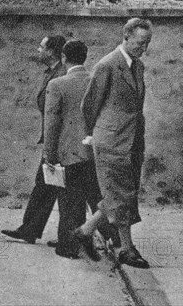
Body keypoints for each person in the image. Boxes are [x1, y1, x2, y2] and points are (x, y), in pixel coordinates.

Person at [73, 18, 153, 269]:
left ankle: (85, 231)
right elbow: (89, 104)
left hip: (132, 141)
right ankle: (126, 249)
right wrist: (93, 134)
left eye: (147, 43)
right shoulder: (107, 65)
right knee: (122, 193)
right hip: (111, 141)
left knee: (120, 193)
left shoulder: (137, 66)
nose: (144, 48)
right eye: (141, 43)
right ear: (126, 36)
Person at [43, 40, 118, 260]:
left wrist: (49, 154)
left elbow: (52, 124)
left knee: (69, 201)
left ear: (64, 58)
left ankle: (68, 246)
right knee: (97, 197)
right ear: (85, 57)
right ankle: (111, 239)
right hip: (95, 150)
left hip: (69, 152)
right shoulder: (96, 81)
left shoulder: (57, 84)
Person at [1, 35, 66, 244]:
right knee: (47, 185)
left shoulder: (61, 75)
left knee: (66, 189)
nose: (38, 51)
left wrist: (53, 144)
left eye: (41, 47)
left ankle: (106, 234)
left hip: (61, 141)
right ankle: (30, 229)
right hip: (53, 139)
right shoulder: (52, 73)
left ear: (51, 51)